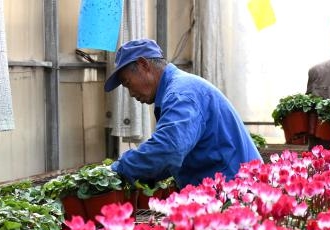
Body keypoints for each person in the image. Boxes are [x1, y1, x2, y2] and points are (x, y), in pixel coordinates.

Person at [103, 38, 261, 190]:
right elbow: (171, 158)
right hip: (228, 189)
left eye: (128, 83)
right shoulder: (179, 89)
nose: (131, 93)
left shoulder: (181, 95)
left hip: (236, 193)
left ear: (143, 64)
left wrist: (117, 169)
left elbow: (168, 149)